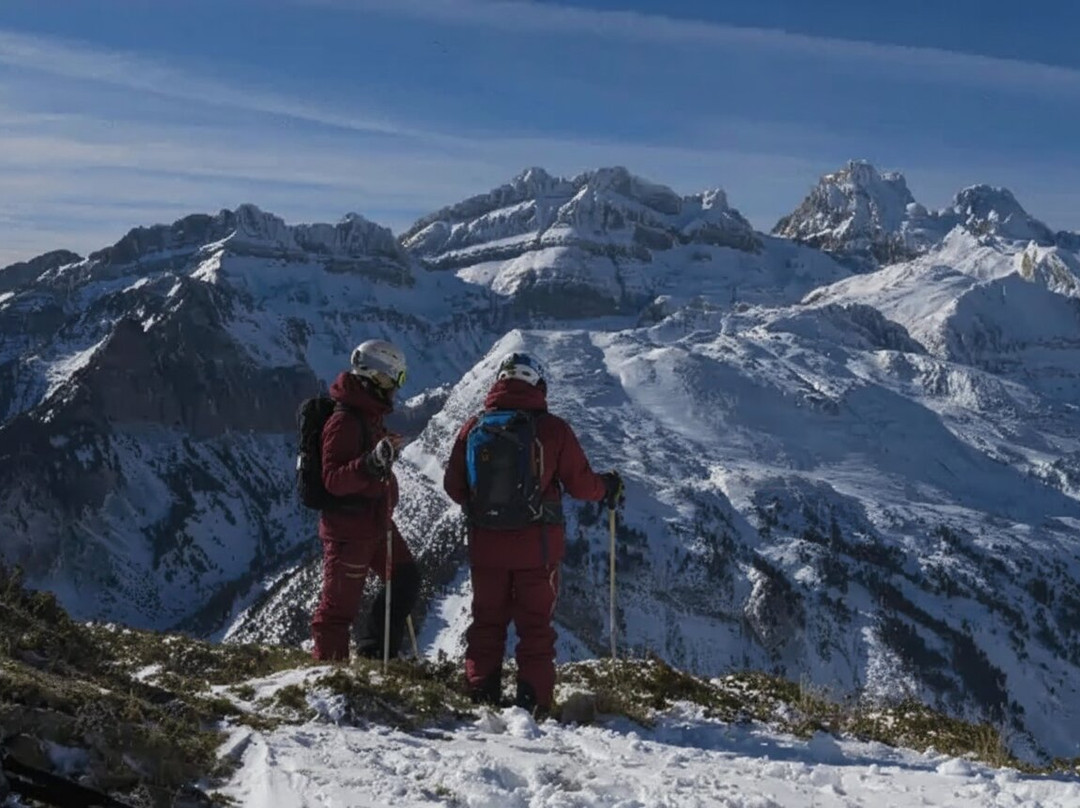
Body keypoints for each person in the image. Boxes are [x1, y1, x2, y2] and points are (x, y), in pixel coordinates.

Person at [443, 351, 624, 718]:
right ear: (538, 385)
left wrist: (483, 509)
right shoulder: (552, 429)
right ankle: (534, 704)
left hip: (486, 547)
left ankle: (481, 694)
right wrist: (607, 487)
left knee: (487, 622)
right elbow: (580, 484)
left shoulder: (474, 426)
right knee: (535, 628)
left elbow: (453, 486)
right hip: (537, 551)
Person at [311, 339, 420, 662]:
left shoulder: (368, 415)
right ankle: (329, 676)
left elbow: (364, 464)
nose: (398, 388)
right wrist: (371, 463)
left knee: (406, 577)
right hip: (350, 529)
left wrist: (384, 452)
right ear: (377, 376)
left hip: (375, 521)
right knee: (338, 610)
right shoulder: (345, 421)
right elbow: (333, 479)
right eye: (396, 379)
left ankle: (376, 654)